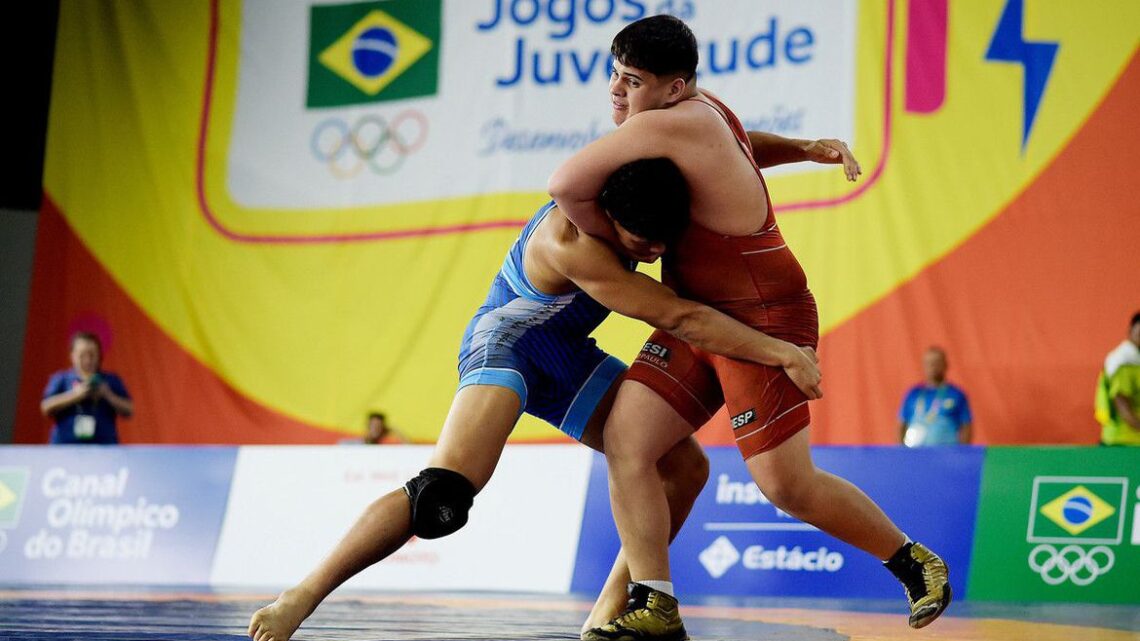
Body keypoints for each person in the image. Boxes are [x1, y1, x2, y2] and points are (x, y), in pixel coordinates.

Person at [248, 158, 823, 641]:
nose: (652, 253)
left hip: (565, 351)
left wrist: (798, 148)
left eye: (659, 242)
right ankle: (299, 597)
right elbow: (683, 316)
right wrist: (780, 352)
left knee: (685, 467)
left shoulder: (632, 185)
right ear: (610, 219)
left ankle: (606, 618)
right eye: (639, 242)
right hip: (505, 346)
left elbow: (723, 155)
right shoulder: (572, 242)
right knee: (440, 497)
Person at [547, 16, 950, 639]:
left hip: (765, 316)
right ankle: (655, 602)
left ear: (675, 87)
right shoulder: (702, 112)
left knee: (786, 487)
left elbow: (564, 186)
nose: (617, 94)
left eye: (633, 81)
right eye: (615, 76)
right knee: (629, 443)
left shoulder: (665, 122)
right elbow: (741, 149)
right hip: (699, 317)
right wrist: (805, 147)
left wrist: (608, 242)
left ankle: (912, 560)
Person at [40, 331, 133, 444]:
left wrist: (107, 395)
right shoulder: (61, 379)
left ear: (99, 355)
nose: (87, 360)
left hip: (105, 448)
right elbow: (46, 407)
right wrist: (75, 395)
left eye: (92, 355)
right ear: (72, 355)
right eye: (82, 355)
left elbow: (129, 409)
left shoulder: (110, 380)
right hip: (65, 448)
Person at [898, 347, 974, 447]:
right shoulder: (913, 394)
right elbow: (901, 425)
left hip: (945, 455)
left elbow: (966, 426)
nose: (932, 366)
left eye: (936, 362)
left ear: (945, 365)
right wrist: (902, 452)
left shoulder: (957, 394)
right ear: (923, 366)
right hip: (915, 455)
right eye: (928, 363)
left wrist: (961, 454)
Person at [1095, 312, 1140, 446]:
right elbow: (1122, 405)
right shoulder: (1123, 364)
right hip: (1123, 442)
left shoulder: (1136, 362)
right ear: (1131, 331)